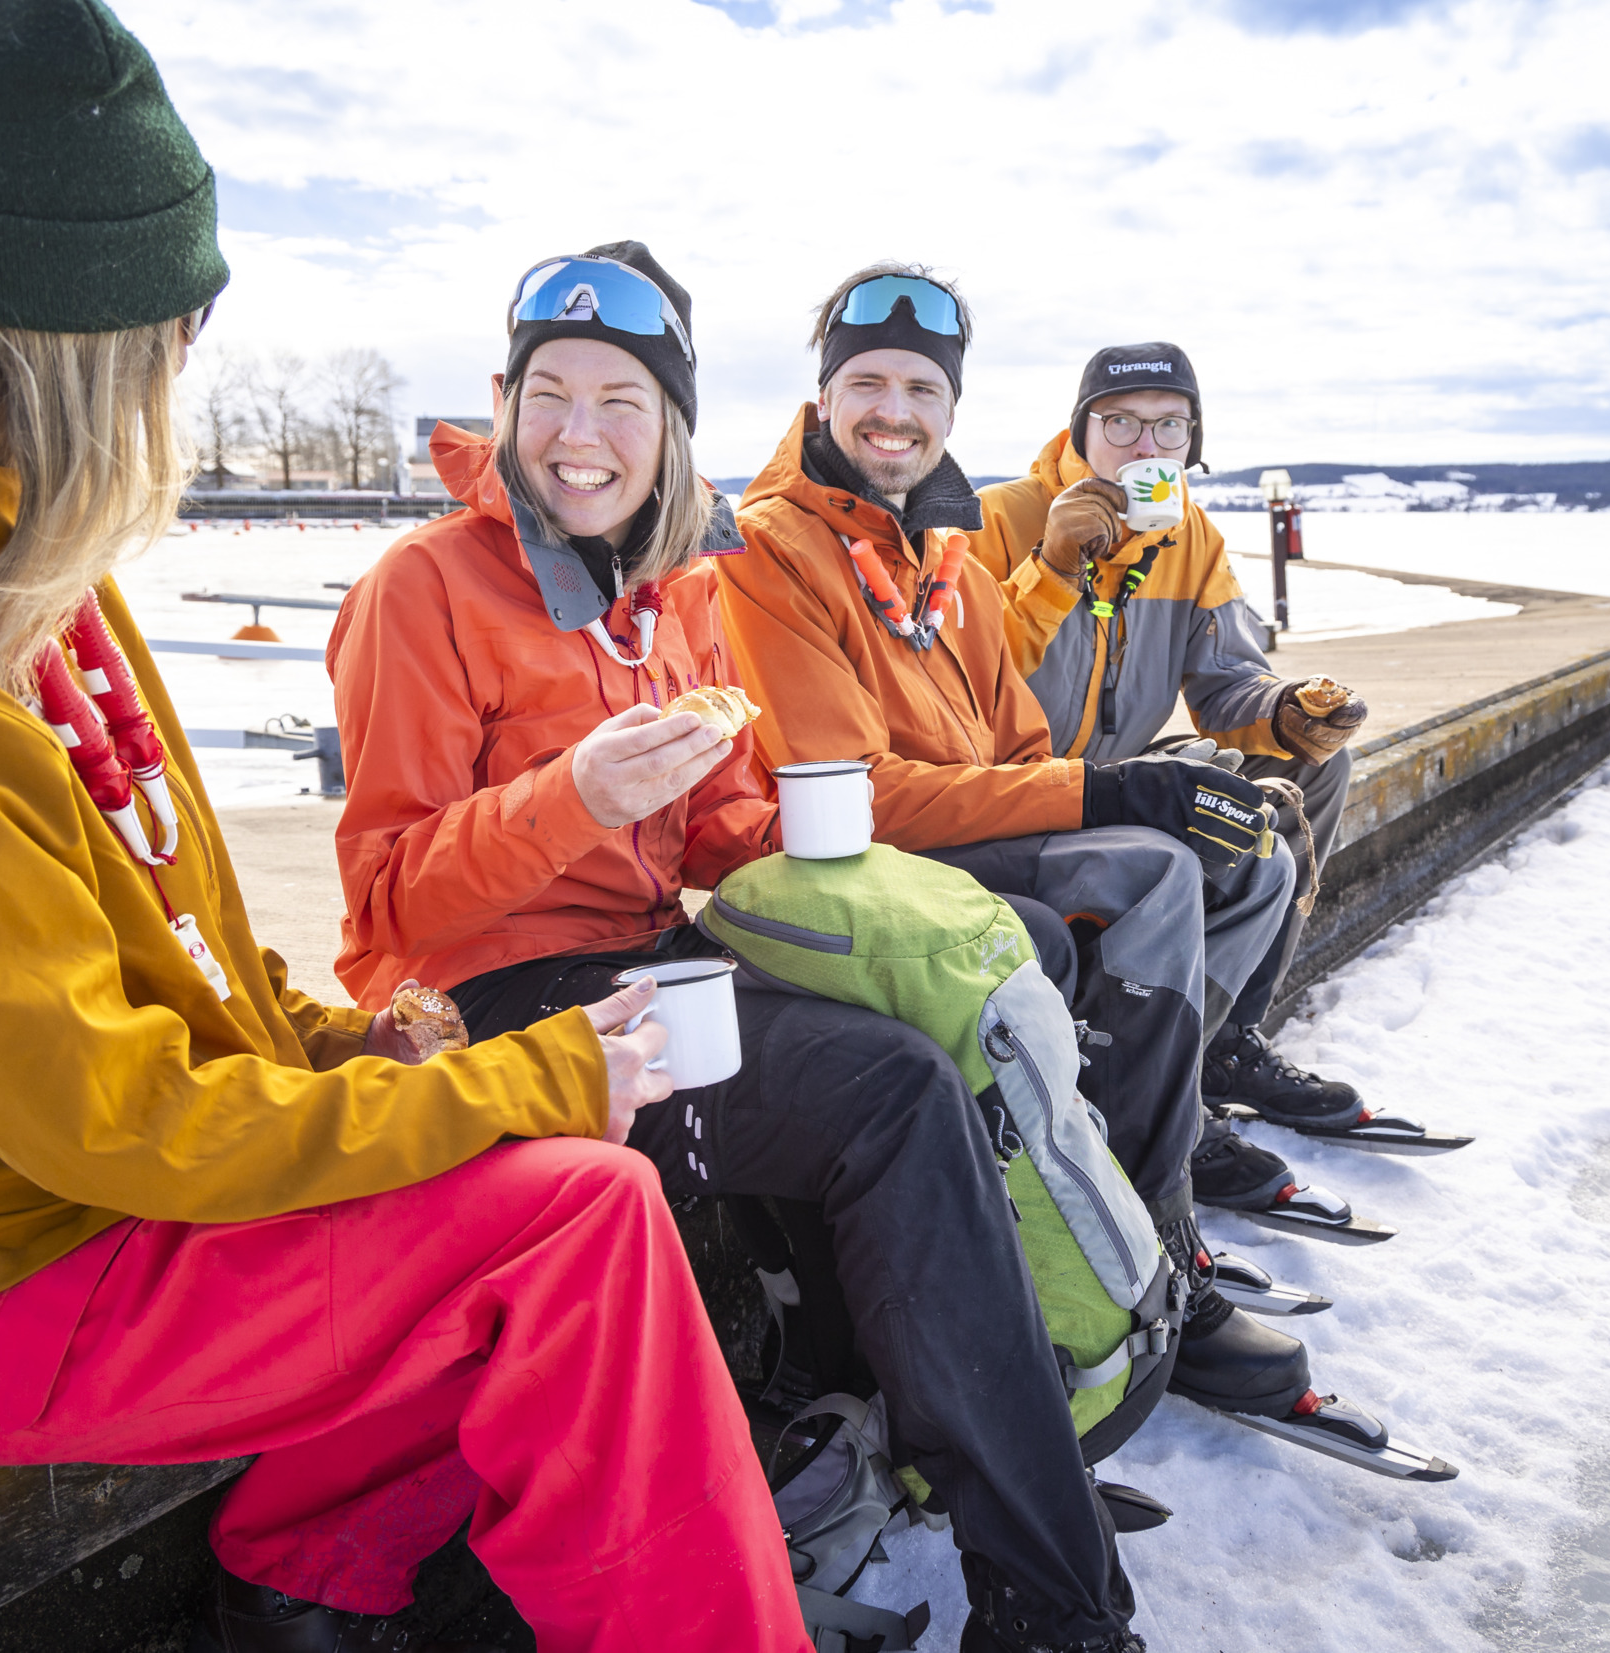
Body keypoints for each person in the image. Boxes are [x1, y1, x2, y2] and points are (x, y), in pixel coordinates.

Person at [0, 8, 802, 1652]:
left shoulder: (15, 548)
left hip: (107, 1204)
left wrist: (355, 1044)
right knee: (573, 1218)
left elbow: (187, 952)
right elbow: (114, 1117)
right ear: (73, 333)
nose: (185, 365)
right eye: (179, 325)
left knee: (517, 1155)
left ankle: (308, 1578)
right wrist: (526, 1072)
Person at [327, 242, 1149, 1653]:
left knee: (970, 993)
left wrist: (813, 832)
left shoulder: (684, 592)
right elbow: (391, 908)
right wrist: (570, 798)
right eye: (551, 396)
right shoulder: (425, 589)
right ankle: (1054, 1603)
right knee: (884, 1094)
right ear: (509, 401)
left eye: (622, 404)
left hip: (656, 958)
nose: (581, 438)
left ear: (672, 429)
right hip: (498, 1008)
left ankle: (967, 1421)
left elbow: (717, 837)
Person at [715, 265, 1390, 1451]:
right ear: (821, 401)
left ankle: (1174, 1124)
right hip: (863, 864)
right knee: (1152, 873)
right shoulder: (824, 544)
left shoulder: (953, 545)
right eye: (863, 383)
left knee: (1240, 840)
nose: (892, 409)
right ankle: (1154, 1247)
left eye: (919, 387)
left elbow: (1025, 736)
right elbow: (847, 793)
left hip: (998, 812)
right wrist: (1102, 746)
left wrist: (1270, 732)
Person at [959, 342, 1386, 1158]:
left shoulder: (1190, 537)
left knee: (1309, 770)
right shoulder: (996, 519)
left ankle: (1223, 1041)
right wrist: (1051, 563)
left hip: (1115, 769)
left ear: (1193, 443)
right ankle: (1158, 1080)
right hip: (1008, 788)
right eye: (1120, 424)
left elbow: (1225, 684)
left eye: (1170, 428)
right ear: (1079, 431)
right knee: (1200, 829)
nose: (1145, 449)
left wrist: (1291, 714)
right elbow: (961, 678)